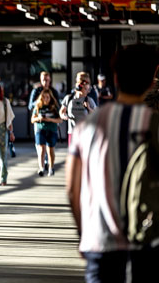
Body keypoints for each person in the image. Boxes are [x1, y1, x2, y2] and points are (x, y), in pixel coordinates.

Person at [66, 43, 159, 283]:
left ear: (115, 78)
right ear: (152, 80)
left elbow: (72, 188)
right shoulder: (155, 125)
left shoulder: (87, 126)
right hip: (148, 243)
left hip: (99, 241)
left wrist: (82, 234)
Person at [30, 89, 62, 177]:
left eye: (47, 97)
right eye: (44, 97)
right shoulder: (38, 106)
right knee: (41, 149)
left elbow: (60, 119)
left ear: (50, 98)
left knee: (50, 150)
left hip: (52, 129)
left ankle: (51, 168)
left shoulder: (54, 107)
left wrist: (50, 119)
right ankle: (41, 168)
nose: (46, 99)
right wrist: (39, 118)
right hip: (41, 129)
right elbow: (32, 120)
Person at [60, 76, 96, 146]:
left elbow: (96, 114)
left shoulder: (89, 100)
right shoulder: (69, 98)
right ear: (79, 88)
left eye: (88, 89)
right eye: (86, 89)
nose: (88, 91)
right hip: (72, 132)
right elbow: (61, 112)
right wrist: (63, 116)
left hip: (85, 132)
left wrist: (88, 108)